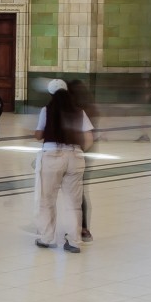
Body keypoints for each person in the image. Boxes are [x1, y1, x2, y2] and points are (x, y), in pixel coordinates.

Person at [33, 79, 94, 253]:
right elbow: (89, 138)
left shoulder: (47, 110)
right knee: (73, 202)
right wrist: (77, 152)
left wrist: (36, 133)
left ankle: (47, 237)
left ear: (51, 94)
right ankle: (74, 241)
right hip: (75, 157)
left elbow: (39, 134)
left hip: (52, 156)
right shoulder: (79, 112)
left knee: (47, 199)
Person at [68, 79, 98, 242]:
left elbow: (86, 137)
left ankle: (82, 228)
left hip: (78, 153)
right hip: (84, 153)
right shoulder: (90, 108)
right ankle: (82, 227)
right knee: (80, 191)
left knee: (76, 192)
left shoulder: (77, 111)